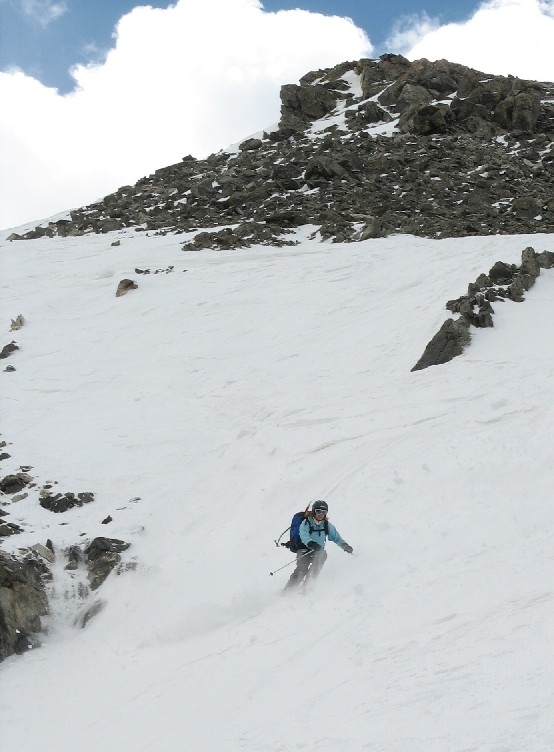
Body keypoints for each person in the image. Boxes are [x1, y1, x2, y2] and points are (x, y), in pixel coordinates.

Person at [285, 500, 353, 590]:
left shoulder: (326, 525)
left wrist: (344, 545)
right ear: (314, 511)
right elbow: (304, 535)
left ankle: (308, 586)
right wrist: (311, 543)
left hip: (317, 550)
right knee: (302, 569)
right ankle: (288, 590)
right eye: (318, 511)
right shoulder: (306, 523)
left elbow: (336, 537)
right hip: (304, 549)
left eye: (324, 512)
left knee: (321, 557)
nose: (321, 514)